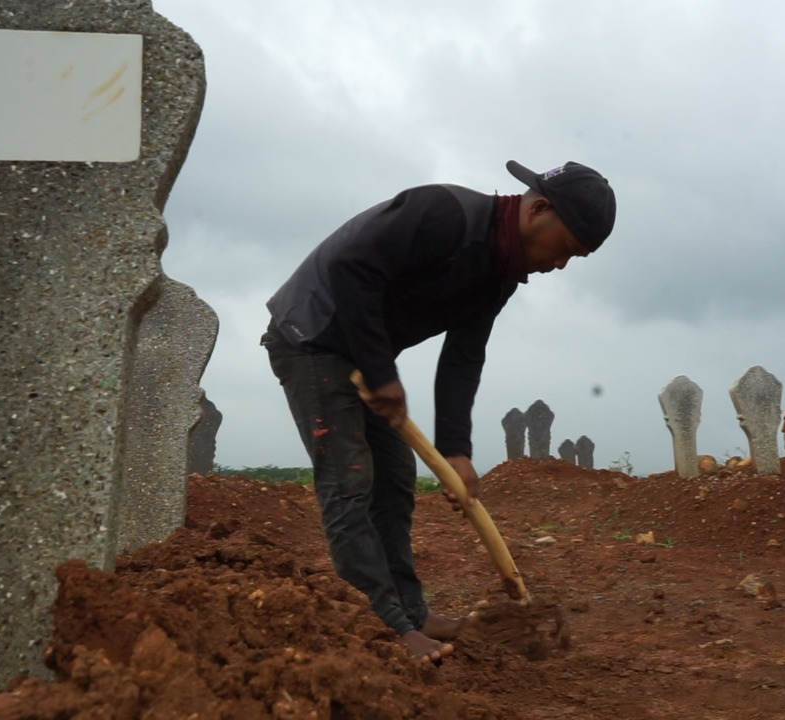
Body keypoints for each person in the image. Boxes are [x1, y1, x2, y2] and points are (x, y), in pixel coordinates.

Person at [262, 161, 616, 663]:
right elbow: (351, 268)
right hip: (311, 337)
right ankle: (383, 625)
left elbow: (463, 359)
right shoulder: (445, 214)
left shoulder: (500, 277)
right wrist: (383, 373)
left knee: (395, 479)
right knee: (350, 480)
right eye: (567, 248)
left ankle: (410, 610)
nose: (561, 265)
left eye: (575, 259)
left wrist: (457, 452)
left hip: (361, 356)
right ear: (539, 209)